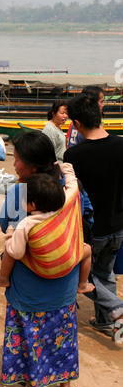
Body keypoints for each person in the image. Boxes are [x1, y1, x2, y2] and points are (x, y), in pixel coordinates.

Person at [0, 130, 92, 387]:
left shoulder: (21, 193)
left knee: (31, 338)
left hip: (29, 290)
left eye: (17, 160)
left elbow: (6, 227)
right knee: (62, 336)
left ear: (33, 166)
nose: (14, 165)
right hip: (65, 283)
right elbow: (87, 216)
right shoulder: (71, 189)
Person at [64, 94, 123, 342]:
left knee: (84, 278)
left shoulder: (74, 156)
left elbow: (72, 196)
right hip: (118, 224)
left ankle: (118, 309)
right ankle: (104, 322)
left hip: (91, 229)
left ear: (76, 123)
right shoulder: (121, 144)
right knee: (105, 274)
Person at [0, 165, 94, 294]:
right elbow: (73, 186)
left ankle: (2, 278)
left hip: (45, 269)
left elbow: (17, 253)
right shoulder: (65, 206)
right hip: (69, 262)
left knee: (10, 250)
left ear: (32, 205)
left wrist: (10, 235)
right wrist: (67, 170)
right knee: (88, 249)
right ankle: (83, 284)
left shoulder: (27, 223)